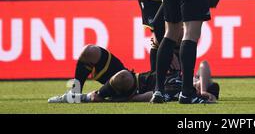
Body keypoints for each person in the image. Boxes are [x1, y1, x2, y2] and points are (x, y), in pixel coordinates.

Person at [47, 45, 219, 103]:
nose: (196, 79)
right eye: (198, 79)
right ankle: (75, 92)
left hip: (130, 87)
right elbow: (204, 65)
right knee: (90, 51)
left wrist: (126, 99)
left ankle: (92, 97)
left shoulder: (179, 93)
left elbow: (150, 96)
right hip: (131, 75)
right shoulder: (186, 72)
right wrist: (203, 86)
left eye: (199, 83)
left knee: (123, 77)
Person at [137, 0, 221, 72]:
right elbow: (157, 25)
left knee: (177, 33)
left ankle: (174, 74)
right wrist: (169, 53)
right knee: (160, 38)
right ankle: (154, 77)